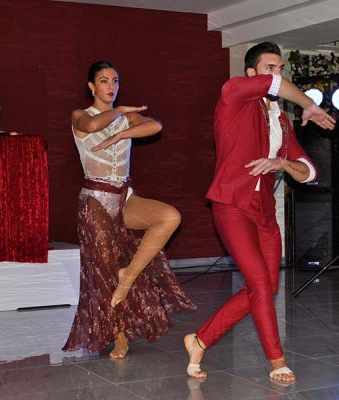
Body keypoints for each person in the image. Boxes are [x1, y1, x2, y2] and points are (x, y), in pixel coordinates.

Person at [184, 42, 336, 382]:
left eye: (281, 67)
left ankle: (200, 340)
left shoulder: (280, 120)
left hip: (264, 212)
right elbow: (274, 86)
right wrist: (309, 104)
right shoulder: (233, 93)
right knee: (257, 282)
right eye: (270, 67)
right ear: (251, 72)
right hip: (232, 204)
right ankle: (276, 361)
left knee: (265, 288)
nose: (277, 73)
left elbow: (309, 171)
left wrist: (281, 163)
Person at [63, 61, 196, 359]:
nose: (111, 86)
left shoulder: (126, 118)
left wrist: (122, 134)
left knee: (169, 217)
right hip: (96, 201)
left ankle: (129, 275)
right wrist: (121, 111)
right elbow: (93, 127)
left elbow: (155, 126)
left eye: (115, 80)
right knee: (104, 271)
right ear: (91, 86)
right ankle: (119, 337)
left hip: (124, 196)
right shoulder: (80, 115)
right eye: (103, 81)